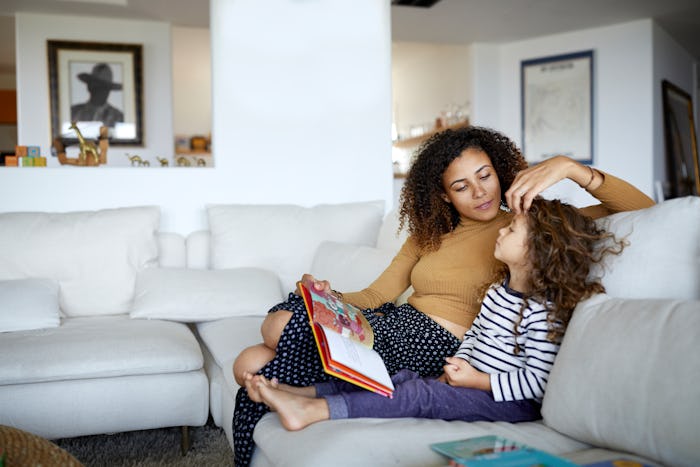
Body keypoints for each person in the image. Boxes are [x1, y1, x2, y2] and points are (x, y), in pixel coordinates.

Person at [231, 126, 654, 466]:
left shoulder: (529, 229)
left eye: (485, 175)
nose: (480, 192)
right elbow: (378, 293)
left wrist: (571, 168)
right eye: (461, 186)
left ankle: (315, 396)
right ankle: (312, 395)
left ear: (500, 169)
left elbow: (642, 208)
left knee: (265, 347)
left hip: (441, 345)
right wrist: (328, 296)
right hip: (395, 326)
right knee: (254, 358)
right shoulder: (428, 235)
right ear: (443, 195)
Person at [244, 197, 625, 430]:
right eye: (459, 186)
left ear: (539, 249)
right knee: (401, 379)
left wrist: (475, 381)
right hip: (462, 375)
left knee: (418, 396)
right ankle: (303, 390)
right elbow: (474, 336)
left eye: (512, 230)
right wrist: (456, 366)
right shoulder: (497, 291)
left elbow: (537, 383)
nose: (501, 232)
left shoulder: (542, 312)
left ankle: (315, 410)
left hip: (504, 400)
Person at [71, 63, 124, 128]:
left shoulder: (118, 117)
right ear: (89, 87)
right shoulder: (74, 112)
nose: (100, 91)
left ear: (109, 90)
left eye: (104, 87)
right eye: (96, 86)